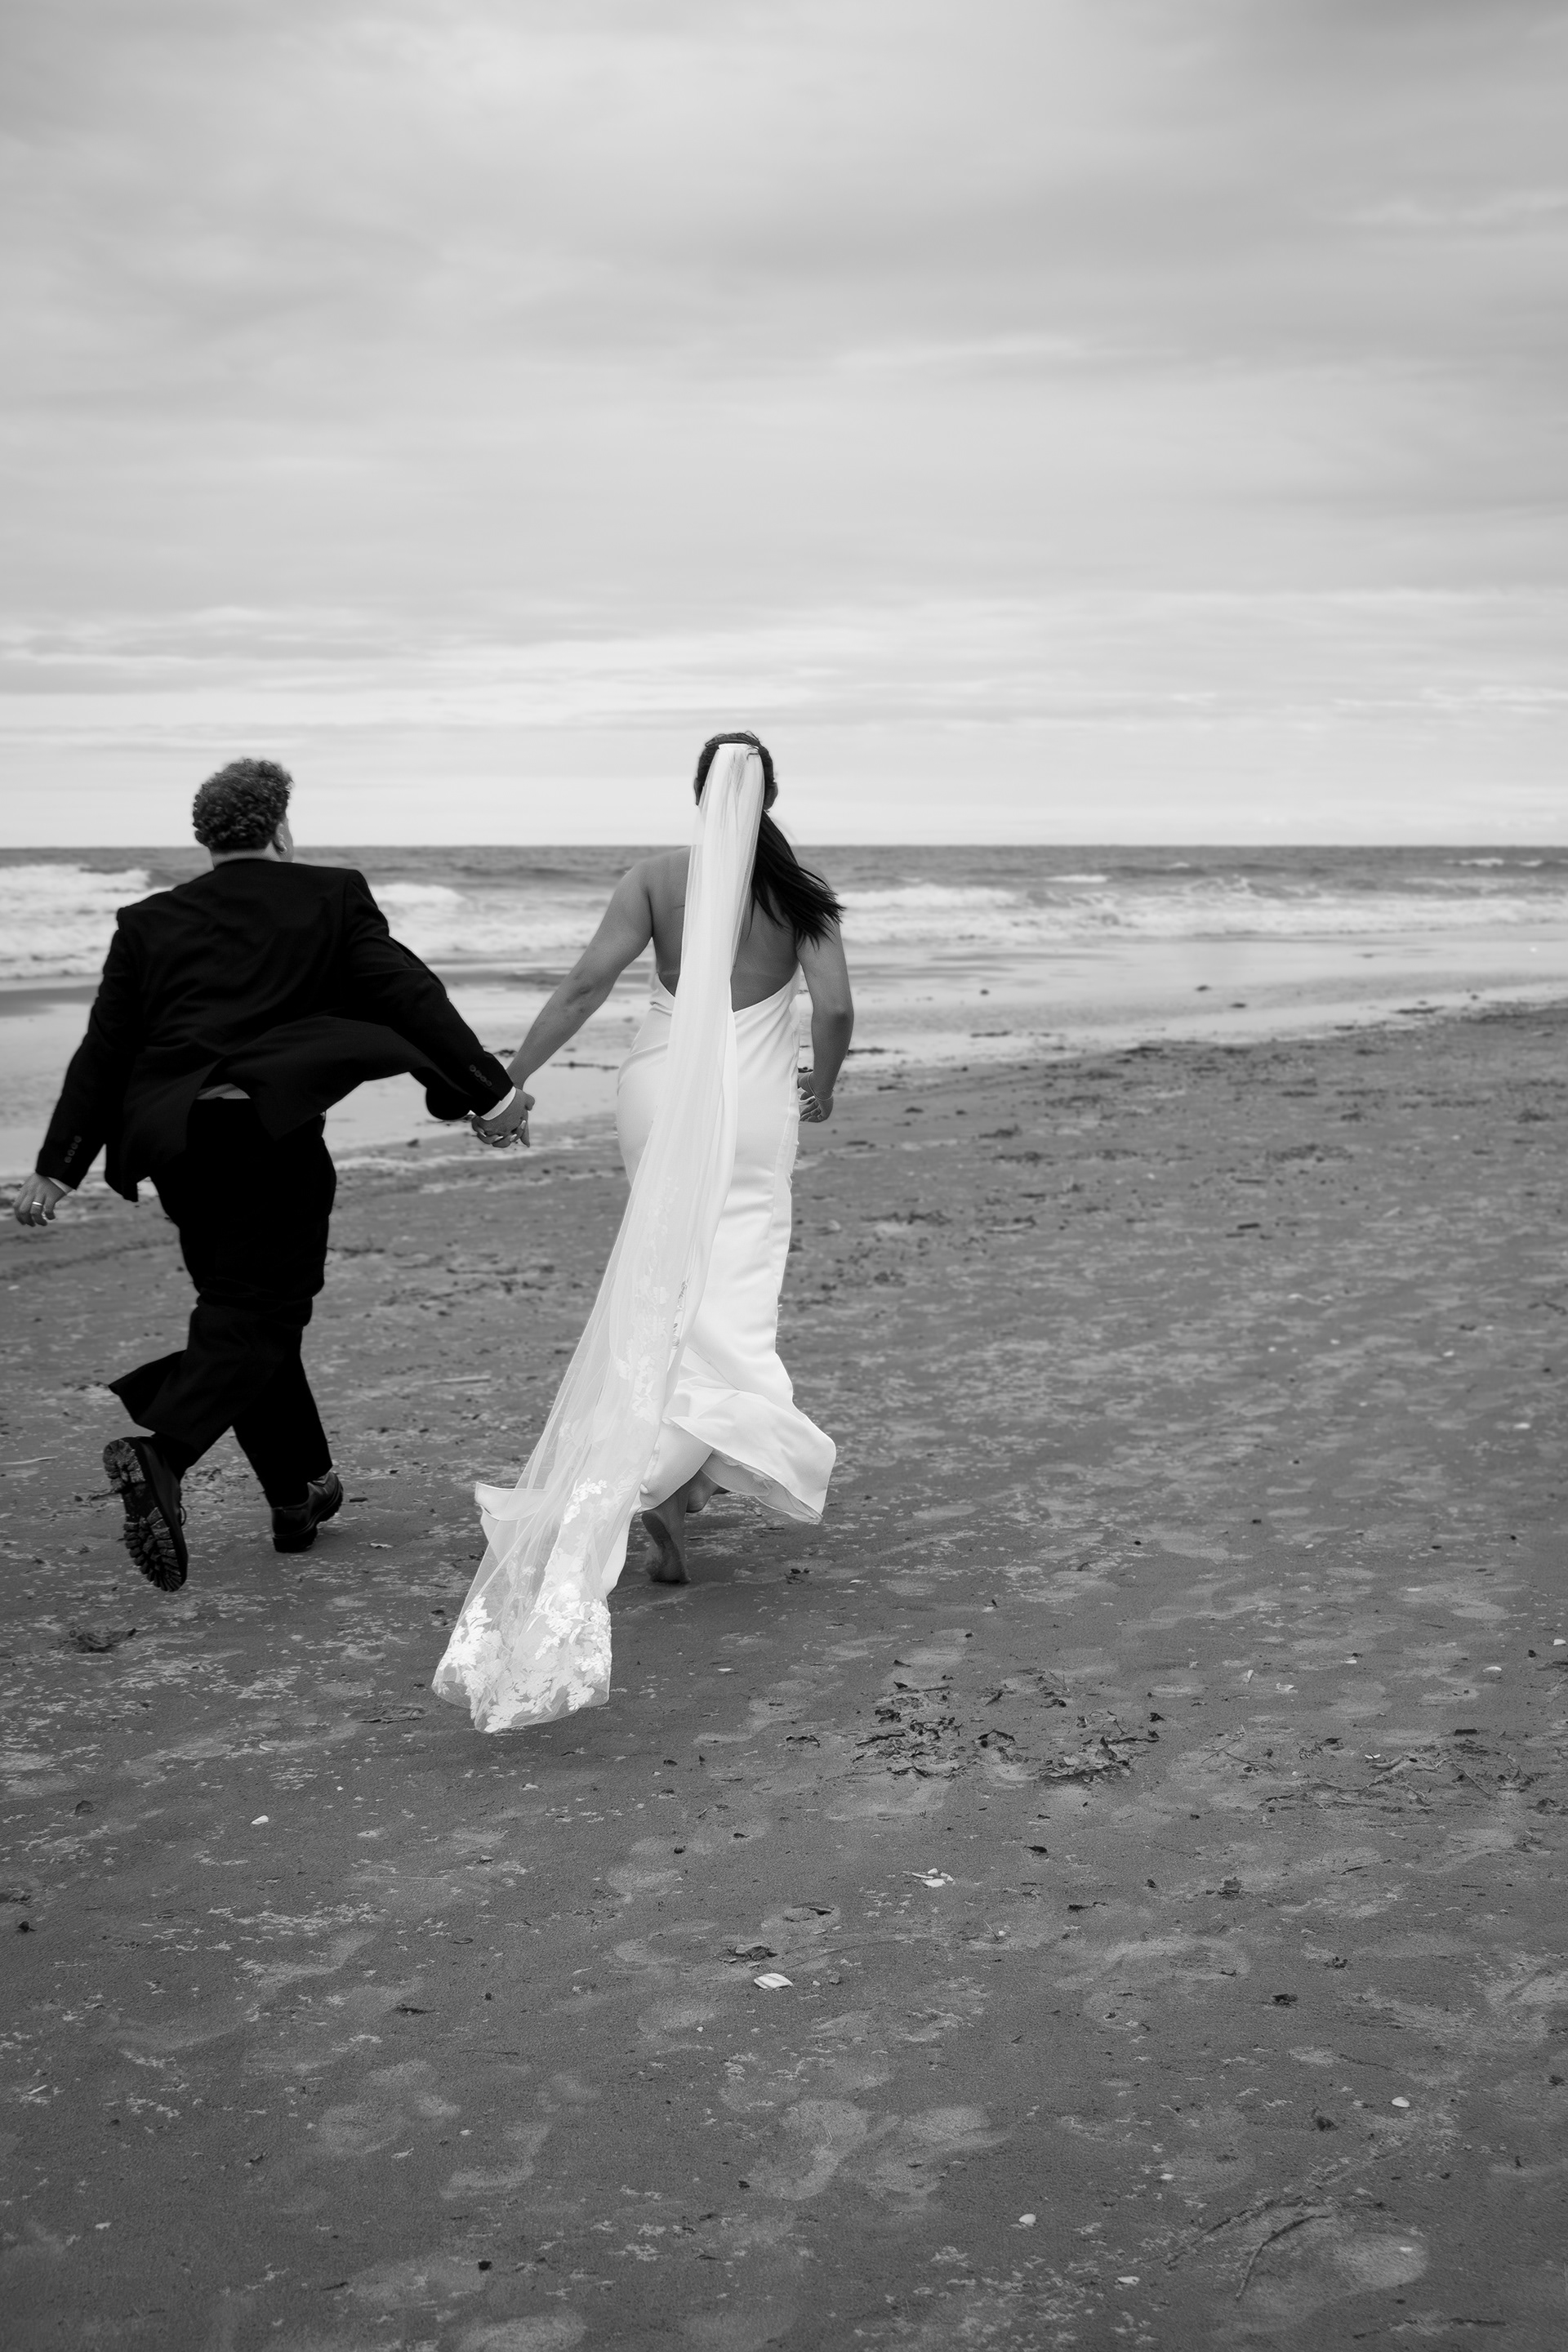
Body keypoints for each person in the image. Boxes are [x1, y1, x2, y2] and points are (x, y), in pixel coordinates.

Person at [11, 758, 529, 1587]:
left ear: (205, 838)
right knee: (260, 1312)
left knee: (247, 1313)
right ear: (281, 828)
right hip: (266, 1136)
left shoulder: (148, 921)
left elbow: (105, 1049)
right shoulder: (330, 895)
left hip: (176, 1146)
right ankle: (163, 1453)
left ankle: (299, 1494)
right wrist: (490, 1092)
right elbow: (408, 993)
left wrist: (58, 1166)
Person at [434, 731, 853, 1732]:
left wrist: (508, 1080)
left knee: (663, 1285)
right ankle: (662, 1482)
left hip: (658, 1095)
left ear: (698, 793)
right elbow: (835, 1007)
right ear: (771, 796)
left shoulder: (657, 879)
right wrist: (826, 1084)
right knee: (731, 1299)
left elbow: (586, 986)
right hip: (754, 1112)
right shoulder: (801, 895)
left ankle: (657, 1480)